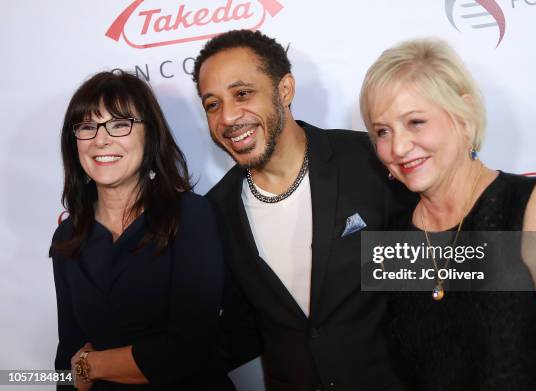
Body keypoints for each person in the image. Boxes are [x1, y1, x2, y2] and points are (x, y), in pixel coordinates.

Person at [359, 38, 536, 390]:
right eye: (382, 131)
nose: (398, 147)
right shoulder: (392, 241)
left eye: (415, 122)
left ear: (463, 115)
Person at [193, 30, 416, 391]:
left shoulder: (367, 160)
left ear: (284, 90)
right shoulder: (215, 210)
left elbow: (440, 274)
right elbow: (237, 330)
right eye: (212, 104)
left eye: (243, 94)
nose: (228, 117)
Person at [50, 71, 234, 391]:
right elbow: (66, 355)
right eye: (87, 126)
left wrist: (89, 365)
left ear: (149, 135)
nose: (100, 139)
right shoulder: (67, 236)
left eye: (120, 124)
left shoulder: (191, 216)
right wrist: (74, 371)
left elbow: (187, 351)